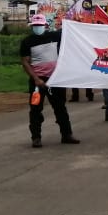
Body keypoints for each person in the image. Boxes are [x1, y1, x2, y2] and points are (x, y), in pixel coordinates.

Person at [19, 13, 80, 148]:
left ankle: (67, 135)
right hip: (37, 83)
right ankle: (36, 138)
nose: (38, 27)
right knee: (35, 110)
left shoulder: (54, 36)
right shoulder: (27, 42)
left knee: (60, 108)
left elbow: (72, 31)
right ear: (31, 26)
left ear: (46, 25)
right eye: (35, 25)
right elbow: (25, 62)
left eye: (40, 25)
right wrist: (36, 79)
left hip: (55, 80)